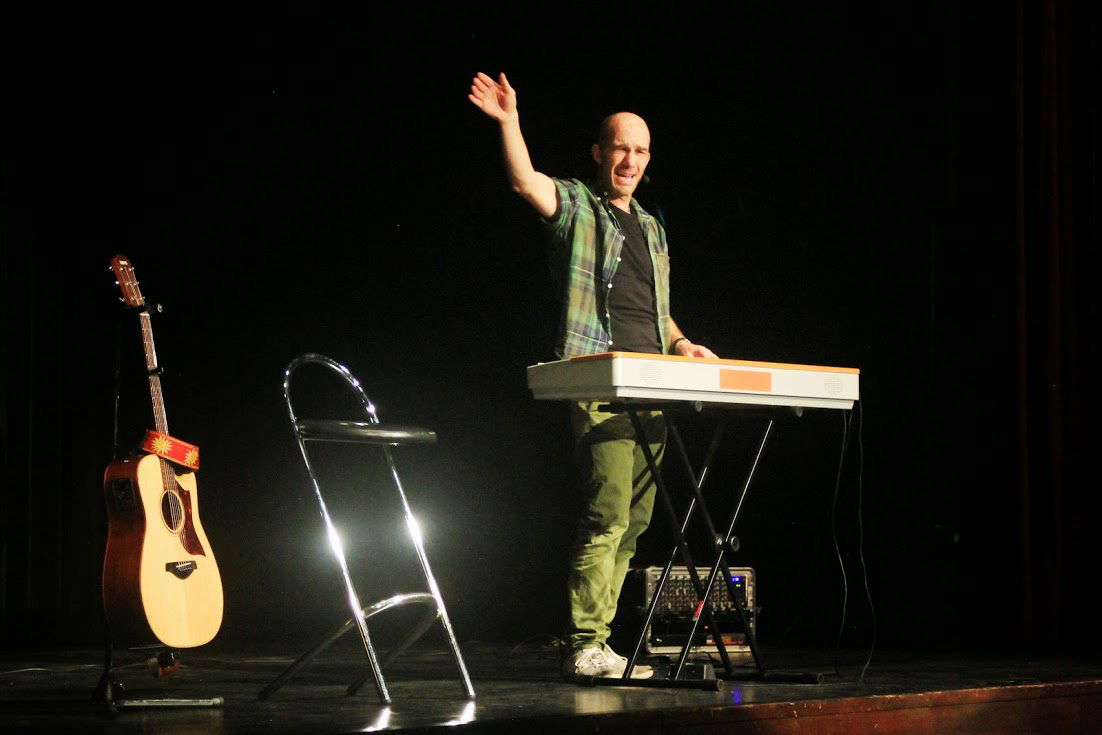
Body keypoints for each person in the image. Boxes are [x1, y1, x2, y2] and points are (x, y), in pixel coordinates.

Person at [469, 72, 717, 681]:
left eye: (641, 150)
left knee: (636, 520)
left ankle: (601, 641)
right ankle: (585, 642)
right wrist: (509, 122)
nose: (630, 160)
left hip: (651, 383)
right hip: (599, 382)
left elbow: (655, 310)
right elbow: (526, 182)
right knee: (607, 514)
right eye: (620, 148)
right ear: (600, 153)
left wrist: (682, 343)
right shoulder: (581, 207)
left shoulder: (652, 229)